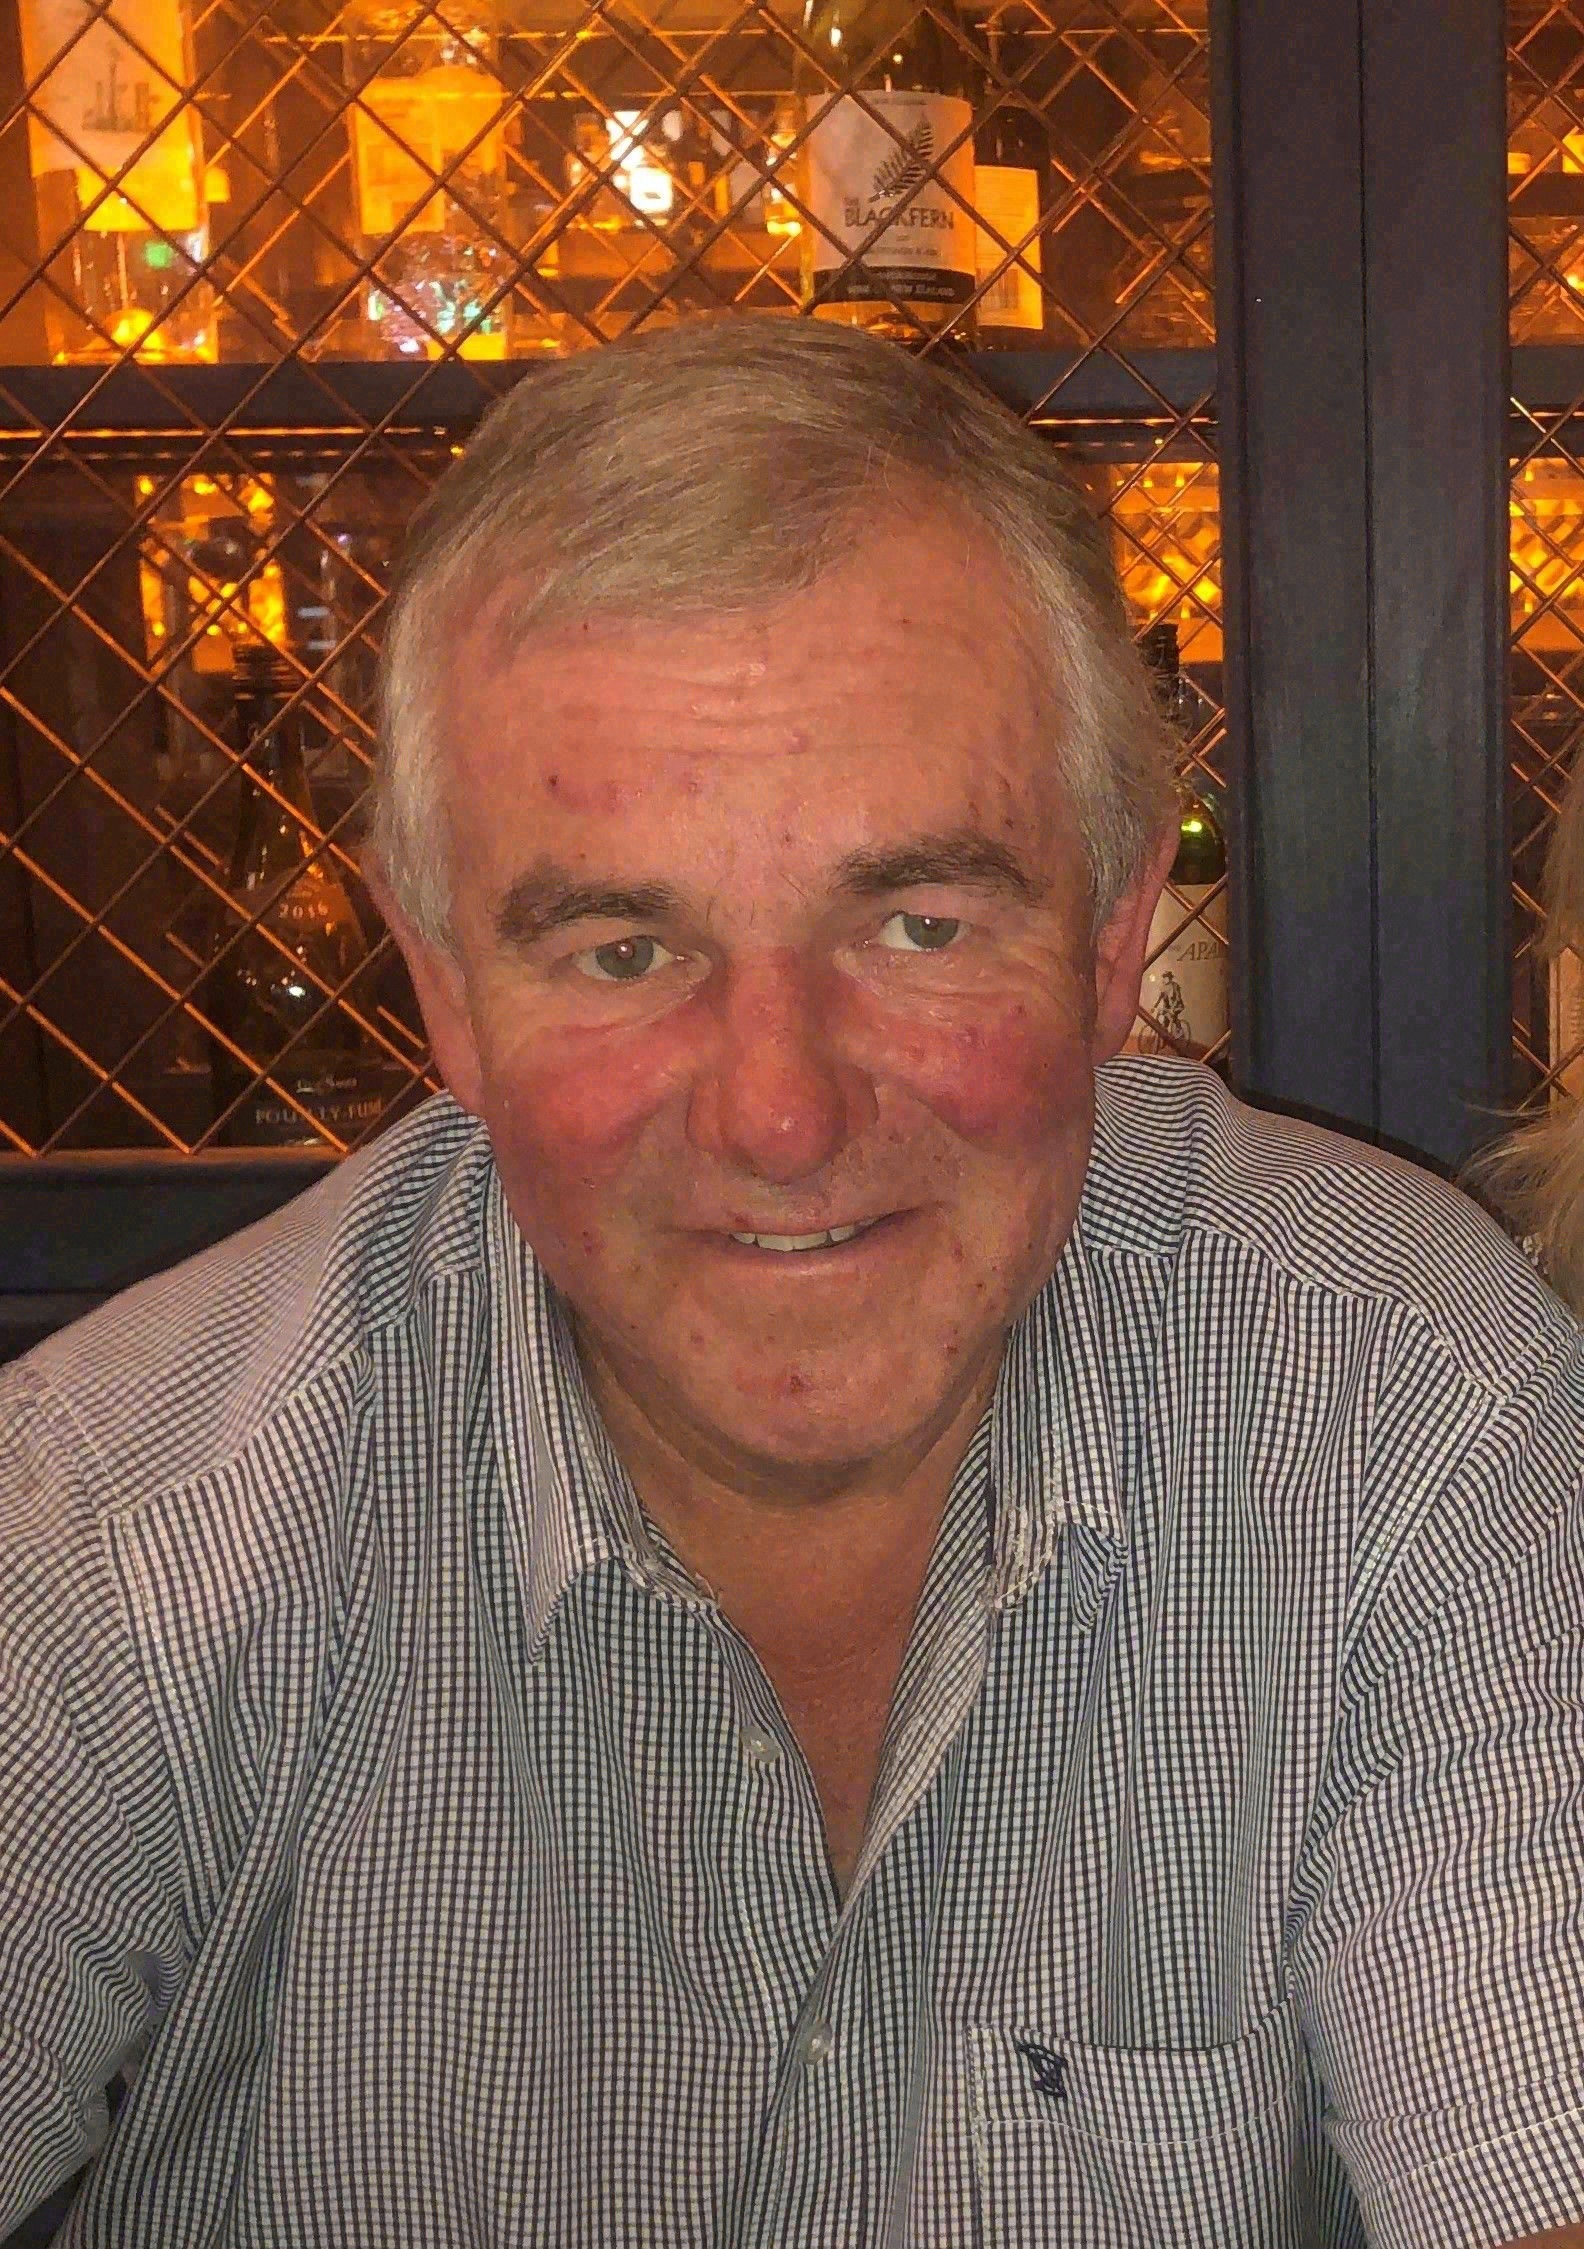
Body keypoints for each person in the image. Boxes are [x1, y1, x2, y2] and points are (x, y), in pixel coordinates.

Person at [2, 317, 1582, 2249]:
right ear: (445, 995)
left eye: (917, 923)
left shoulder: (1393, 1402)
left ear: (1111, 944)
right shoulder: (114, 1538)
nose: (779, 1113)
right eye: (622, 951)